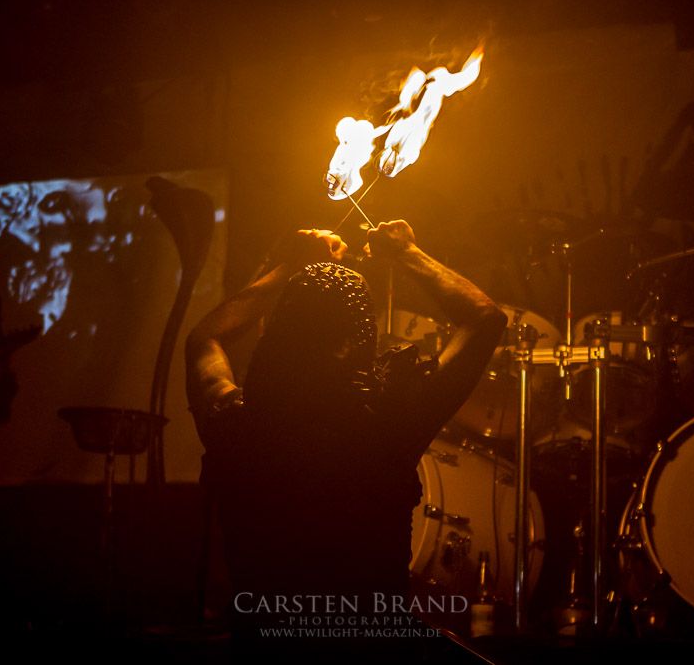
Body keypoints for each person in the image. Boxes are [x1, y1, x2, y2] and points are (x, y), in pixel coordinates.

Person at [186, 220, 506, 660]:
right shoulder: (388, 425)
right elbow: (486, 320)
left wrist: (289, 267)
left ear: (278, 334)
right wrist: (405, 252)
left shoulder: (233, 425)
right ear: (357, 341)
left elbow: (205, 338)